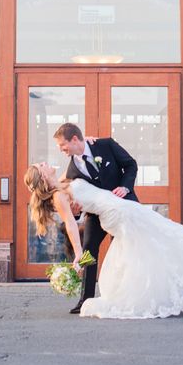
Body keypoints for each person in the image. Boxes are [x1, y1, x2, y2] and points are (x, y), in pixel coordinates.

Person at [23, 162, 183, 320]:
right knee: (159, 235)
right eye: (41, 165)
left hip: (120, 208)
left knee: (155, 238)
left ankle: (160, 286)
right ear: (42, 176)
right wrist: (78, 254)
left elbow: (76, 161)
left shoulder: (62, 183)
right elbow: (71, 224)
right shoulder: (58, 196)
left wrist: (88, 140)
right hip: (117, 213)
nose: (45, 163)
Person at [53, 123, 138, 314]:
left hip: (121, 207)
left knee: (122, 250)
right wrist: (76, 211)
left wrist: (125, 187)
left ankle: (123, 296)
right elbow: (72, 199)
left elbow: (130, 164)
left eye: (63, 145)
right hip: (96, 214)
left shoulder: (105, 145)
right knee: (88, 249)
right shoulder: (72, 169)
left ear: (75, 139)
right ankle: (85, 300)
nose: (61, 150)